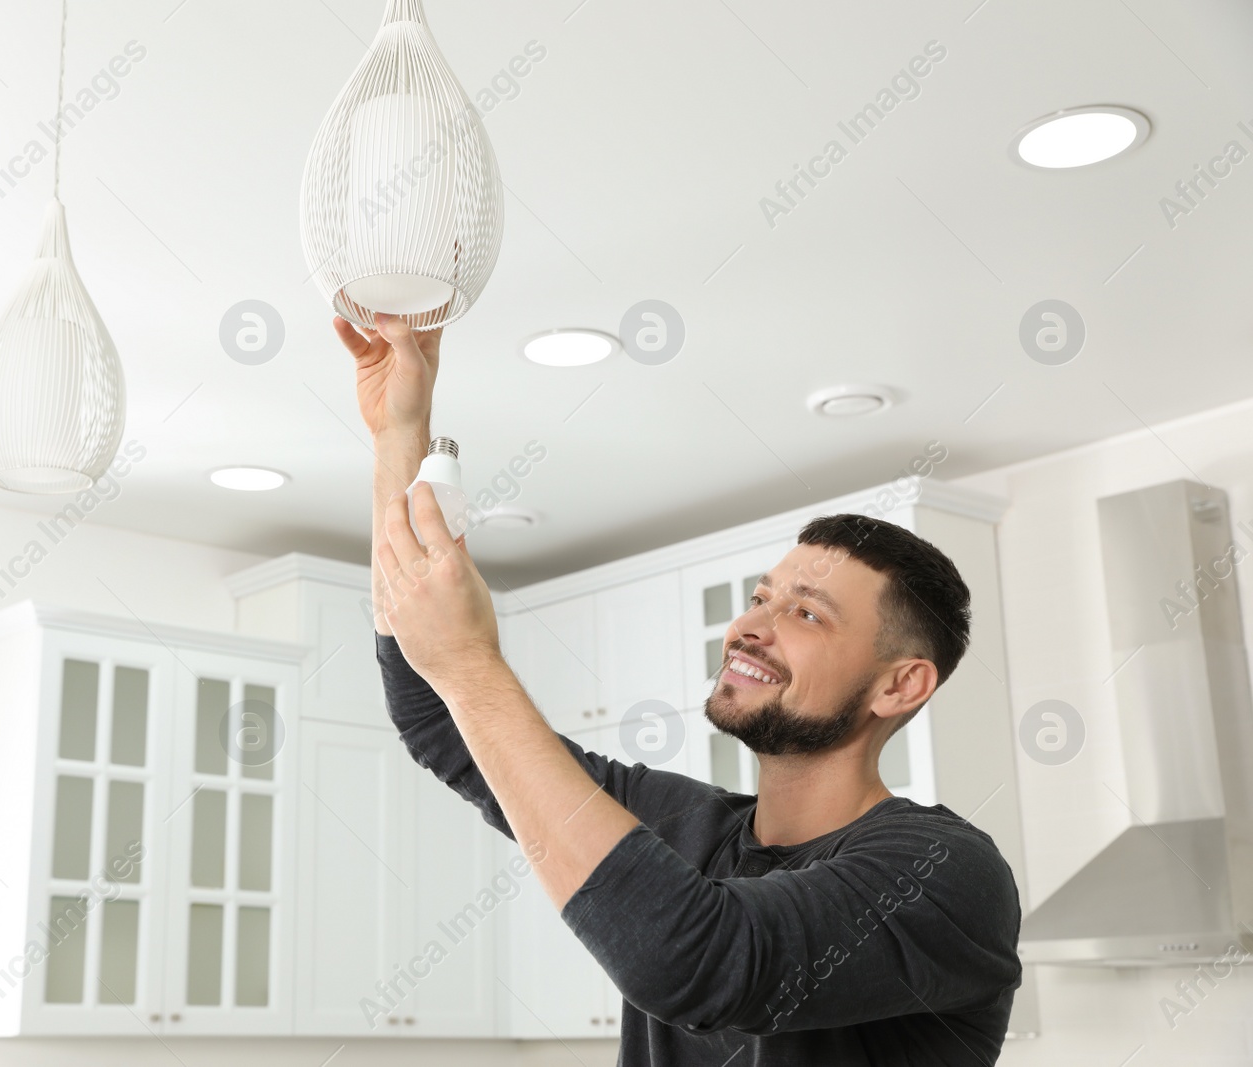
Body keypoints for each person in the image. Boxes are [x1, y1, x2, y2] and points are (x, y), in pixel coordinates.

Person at [334, 312, 1023, 1065]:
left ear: (900, 685)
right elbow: (439, 718)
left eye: (805, 612)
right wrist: (401, 435)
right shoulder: (685, 824)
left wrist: (472, 661)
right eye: (761, 597)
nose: (750, 625)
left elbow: (697, 959)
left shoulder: (943, 871)